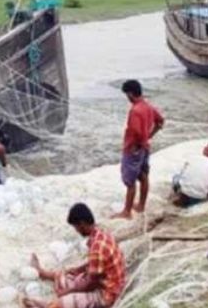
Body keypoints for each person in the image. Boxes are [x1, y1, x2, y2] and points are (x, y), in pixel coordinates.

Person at [23, 203, 126, 308]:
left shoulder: (97, 247)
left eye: (76, 227)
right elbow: (98, 264)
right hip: (105, 281)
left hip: (106, 293)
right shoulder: (101, 233)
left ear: (82, 224)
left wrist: (69, 292)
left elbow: (90, 284)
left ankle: (44, 305)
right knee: (68, 276)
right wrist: (79, 269)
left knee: (62, 301)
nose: (76, 231)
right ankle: (43, 274)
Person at [113, 79, 164, 219]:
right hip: (145, 148)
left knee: (130, 181)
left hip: (134, 149)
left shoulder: (135, 111)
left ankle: (127, 211)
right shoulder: (148, 106)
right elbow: (160, 122)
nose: (127, 98)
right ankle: (141, 205)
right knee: (143, 176)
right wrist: (149, 137)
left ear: (130, 93)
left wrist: (138, 144)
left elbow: (136, 132)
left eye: (126, 95)